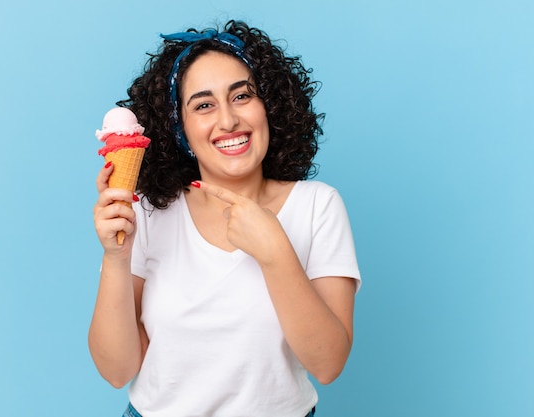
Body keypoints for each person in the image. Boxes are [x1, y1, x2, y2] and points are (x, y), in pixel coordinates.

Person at [89, 19, 361, 417]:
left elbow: (328, 364)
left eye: (242, 96)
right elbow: (117, 372)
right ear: (179, 128)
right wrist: (116, 258)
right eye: (203, 105)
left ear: (269, 106)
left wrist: (275, 252)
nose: (229, 120)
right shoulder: (147, 211)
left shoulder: (318, 206)